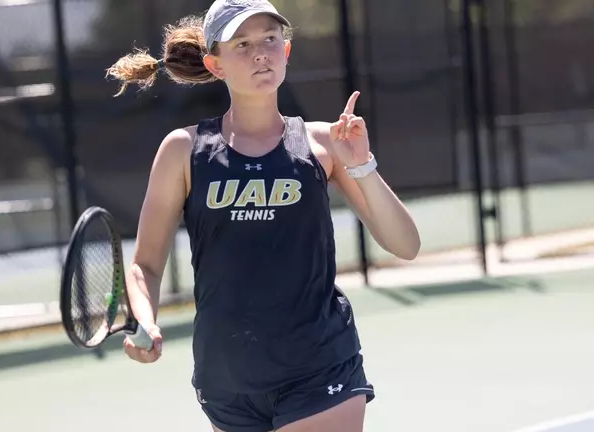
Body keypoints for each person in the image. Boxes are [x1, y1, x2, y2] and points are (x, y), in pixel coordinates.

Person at [106, 1, 421, 430]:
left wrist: (362, 165)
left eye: (270, 39)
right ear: (215, 64)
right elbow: (145, 265)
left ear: (285, 52)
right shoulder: (183, 150)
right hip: (227, 379)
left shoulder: (325, 143)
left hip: (320, 366)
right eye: (242, 44)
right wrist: (145, 319)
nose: (260, 54)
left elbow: (405, 244)